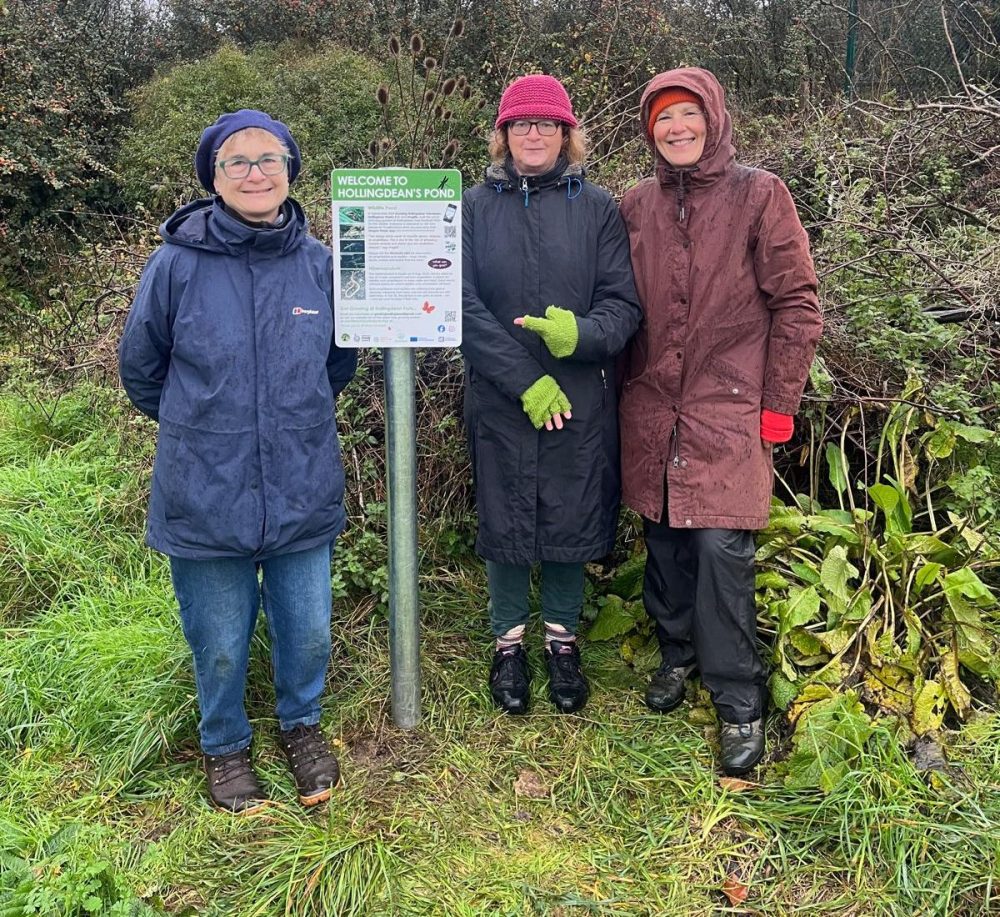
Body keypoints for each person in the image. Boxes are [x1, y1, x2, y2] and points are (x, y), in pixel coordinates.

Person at [119, 110, 356, 813]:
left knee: (308, 628)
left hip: (302, 482)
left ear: (291, 169)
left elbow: (337, 362)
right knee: (219, 640)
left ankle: (301, 725)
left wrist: (285, 422)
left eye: (269, 159)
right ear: (212, 179)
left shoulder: (319, 264)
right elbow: (142, 368)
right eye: (237, 162)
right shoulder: (175, 265)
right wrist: (206, 429)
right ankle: (224, 742)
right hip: (204, 490)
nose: (256, 173)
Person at [618, 69, 822, 775]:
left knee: (719, 549)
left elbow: (797, 302)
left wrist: (777, 405)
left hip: (729, 406)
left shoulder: (759, 195)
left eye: (687, 116)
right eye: (662, 119)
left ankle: (739, 699)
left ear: (713, 119)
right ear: (650, 131)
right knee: (665, 539)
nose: (676, 129)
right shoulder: (636, 205)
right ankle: (676, 655)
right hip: (651, 405)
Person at [461, 74, 642, 715]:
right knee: (506, 515)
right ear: (503, 134)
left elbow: (623, 306)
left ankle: (561, 639)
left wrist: (580, 335)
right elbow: (460, 305)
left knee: (568, 514)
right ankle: (508, 642)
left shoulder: (597, 209)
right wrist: (522, 379)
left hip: (577, 396)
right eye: (520, 124)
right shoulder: (474, 207)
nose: (532, 134)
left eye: (546, 124)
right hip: (499, 394)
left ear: (567, 135)